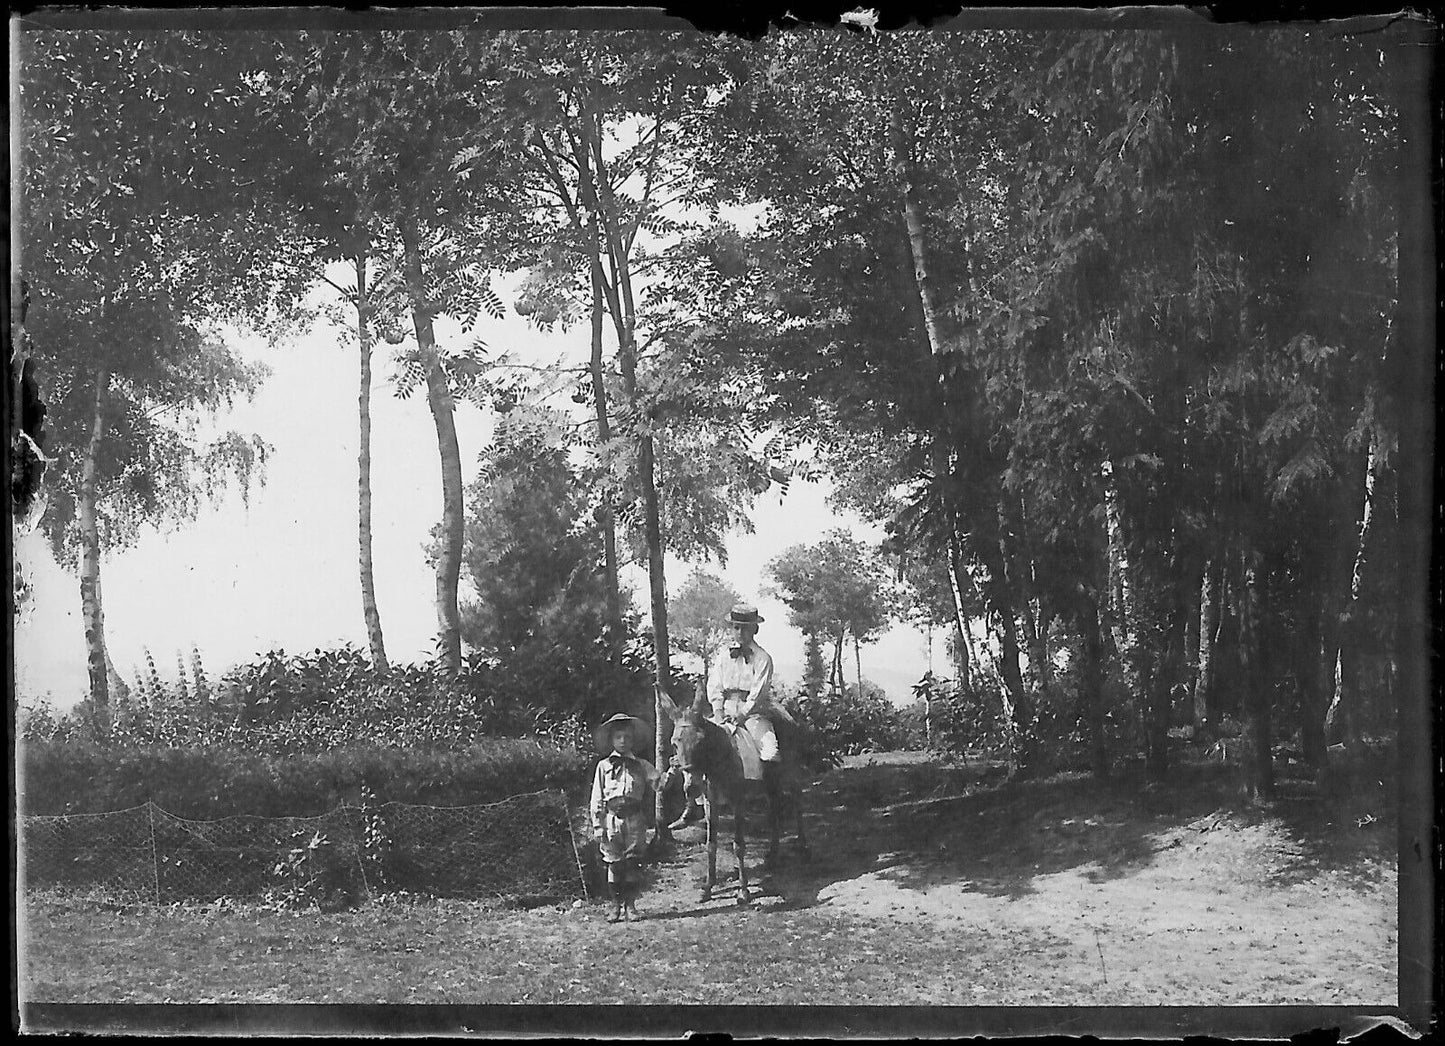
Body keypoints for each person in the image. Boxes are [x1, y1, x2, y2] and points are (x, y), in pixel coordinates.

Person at [669, 603, 792, 830]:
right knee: (695, 742)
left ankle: (772, 799)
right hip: (723, 710)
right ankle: (693, 803)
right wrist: (717, 709)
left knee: (770, 751)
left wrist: (744, 713)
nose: (740, 633)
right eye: (736, 628)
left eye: (745, 628)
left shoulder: (763, 658)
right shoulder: (723, 656)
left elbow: (759, 690)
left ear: (755, 629)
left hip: (753, 714)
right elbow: (714, 684)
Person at [589, 712, 657, 923]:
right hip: (612, 820)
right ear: (612, 740)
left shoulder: (642, 765)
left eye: (627, 737)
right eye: (618, 737)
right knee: (614, 863)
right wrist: (598, 824)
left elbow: (659, 784)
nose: (623, 741)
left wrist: (672, 771)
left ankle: (631, 906)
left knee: (632, 863)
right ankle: (615, 906)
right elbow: (597, 797)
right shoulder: (603, 766)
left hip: (635, 819)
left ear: (633, 740)